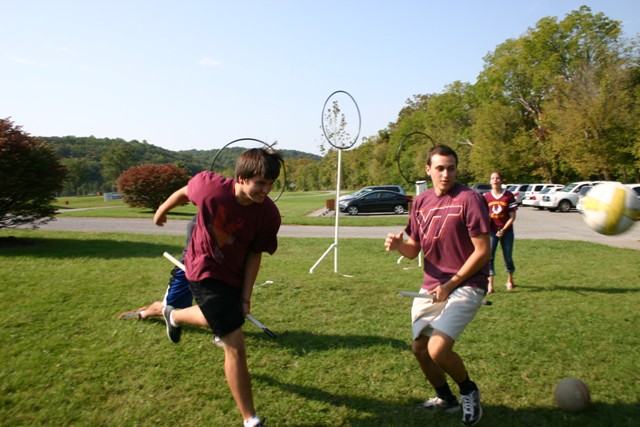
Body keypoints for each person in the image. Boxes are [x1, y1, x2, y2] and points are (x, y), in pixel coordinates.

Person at [153, 147, 282, 427]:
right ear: (240, 178)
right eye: (260, 183)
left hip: (232, 274)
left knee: (225, 319)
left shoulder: (268, 215)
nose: (266, 190)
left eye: (271, 183)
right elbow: (185, 191)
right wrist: (163, 209)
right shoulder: (211, 188)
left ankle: (173, 315)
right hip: (202, 267)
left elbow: (254, 254)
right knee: (234, 342)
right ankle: (250, 419)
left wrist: (246, 297)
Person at [385, 145, 490, 426]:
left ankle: (469, 391)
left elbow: (483, 252)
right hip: (432, 285)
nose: (446, 174)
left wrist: (451, 283)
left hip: (467, 283)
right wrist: (398, 246)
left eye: (451, 168)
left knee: (437, 349)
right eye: (440, 168)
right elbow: (413, 250)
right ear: (428, 169)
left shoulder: (470, 199)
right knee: (420, 349)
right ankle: (446, 398)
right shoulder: (420, 203)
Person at [118, 216, 196, 321]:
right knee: (168, 308)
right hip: (187, 269)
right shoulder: (199, 222)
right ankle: (143, 313)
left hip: (211, 268)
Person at [483, 171, 517, 293]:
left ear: (501, 180)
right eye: (493, 178)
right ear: (490, 181)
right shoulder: (486, 197)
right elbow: (485, 216)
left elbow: (512, 217)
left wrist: (503, 230)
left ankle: (510, 280)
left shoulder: (508, 196)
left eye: (497, 178)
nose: (495, 180)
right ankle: (490, 284)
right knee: (489, 257)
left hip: (506, 231)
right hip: (492, 232)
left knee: (507, 257)